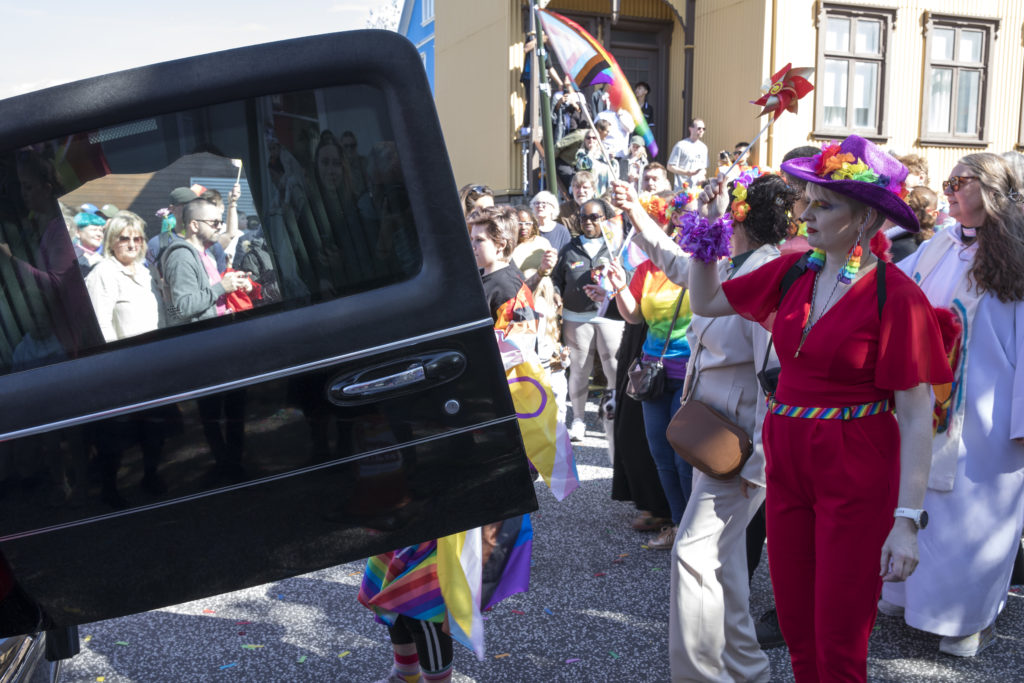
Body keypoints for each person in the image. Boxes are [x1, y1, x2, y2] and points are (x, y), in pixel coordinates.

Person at [680, 135, 952, 681]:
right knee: (798, 629)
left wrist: (906, 521)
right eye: (807, 200)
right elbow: (708, 301)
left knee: (840, 635)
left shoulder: (895, 296)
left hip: (856, 465)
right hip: (787, 459)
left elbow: (917, 413)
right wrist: (706, 237)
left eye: (824, 205)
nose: (805, 212)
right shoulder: (793, 273)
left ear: (867, 220)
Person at [612, 173, 793, 680]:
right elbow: (681, 264)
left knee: (692, 557)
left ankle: (701, 675)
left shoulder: (769, 273)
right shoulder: (736, 264)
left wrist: (759, 461)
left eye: (721, 210)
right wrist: (637, 214)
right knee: (725, 564)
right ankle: (745, 667)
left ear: (738, 218)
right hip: (712, 433)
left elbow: (774, 378)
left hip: (738, 446)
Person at [879, 153, 1024, 657]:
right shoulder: (941, 241)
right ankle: (905, 594)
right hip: (926, 404)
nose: (948, 190)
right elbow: (896, 288)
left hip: (986, 416)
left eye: (959, 182)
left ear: (992, 190)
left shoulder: (1018, 258)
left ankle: (965, 618)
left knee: (971, 515)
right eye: (947, 181)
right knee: (918, 503)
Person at [551, 199, 623, 442]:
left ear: (605, 218)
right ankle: (579, 420)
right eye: (583, 217)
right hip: (577, 316)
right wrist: (554, 295)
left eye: (594, 217)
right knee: (579, 369)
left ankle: (613, 418)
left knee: (613, 367)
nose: (588, 222)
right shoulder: (570, 248)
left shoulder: (617, 246)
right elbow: (555, 280)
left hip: (610, 315)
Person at [85, 211, 161, 342]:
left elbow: (164, 315)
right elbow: (100, 326)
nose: (132, 245)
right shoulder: (103, 273)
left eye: (137, 239)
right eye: (124, 239)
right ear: (111, 241)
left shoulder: (145, 272)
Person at [667, 118, 708, 190]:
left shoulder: (703, 147)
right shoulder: (680, 145)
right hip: (681, 189)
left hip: (696, 189)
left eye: (703, 129)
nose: (701, 130)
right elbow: (670, 166)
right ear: (690, 129)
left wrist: (702, 176)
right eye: (699, 128)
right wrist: (686, 173)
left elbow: (703, 168)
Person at [575, 126, 613, 197]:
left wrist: (612, 160)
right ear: (584, 140)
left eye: (594, 138)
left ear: (598, 140)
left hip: (604, 191)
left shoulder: (603, 154)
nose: (591, 140)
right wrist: (591, 152)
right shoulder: (581, 153)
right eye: (588, 138)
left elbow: (612, 171)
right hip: (589, 192)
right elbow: (584, 165)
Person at [559, 171, 596, 237]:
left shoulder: (601, 209)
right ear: (572, 189)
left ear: (593, 190)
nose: (581, 191)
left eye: (585, 187)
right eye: (577, 187)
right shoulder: (562, 210)